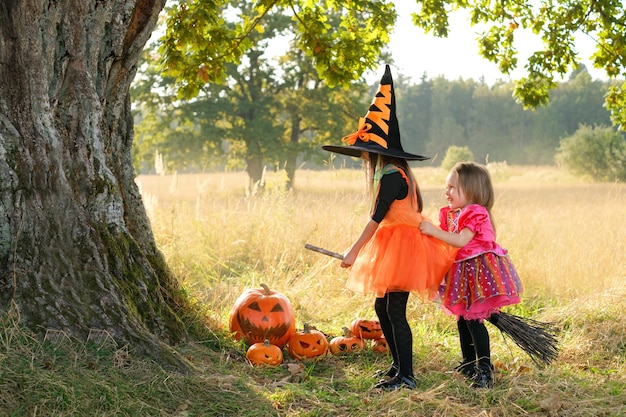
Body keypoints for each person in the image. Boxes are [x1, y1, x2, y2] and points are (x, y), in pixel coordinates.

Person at [322, 65, 457, 391]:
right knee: (382, 306)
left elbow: (378, 217)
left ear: (377, 151)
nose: (363, 157)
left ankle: (407, 377)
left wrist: (354, 251)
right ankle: (398, 366)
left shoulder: (394, 174)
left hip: (404, 247)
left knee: (395, 310)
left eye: (365, 151)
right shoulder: (390, 172)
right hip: (396, 242)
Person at [419, 161, 523, 388]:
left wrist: (433, 232)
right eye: (446, 187)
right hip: (462, 273)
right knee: (463, 319)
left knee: (474, 320)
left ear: (472, 189)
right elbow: (446, 241)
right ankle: (468, 364)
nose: (447, 192)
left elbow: (460, 240)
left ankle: (485, 370)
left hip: (477, 273)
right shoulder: (455, 213)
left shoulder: (475, 212)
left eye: (452, 188)